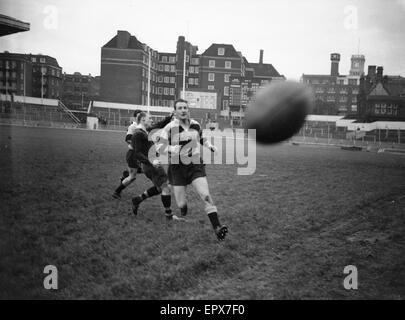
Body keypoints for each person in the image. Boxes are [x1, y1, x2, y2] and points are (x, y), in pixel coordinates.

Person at [158, 99, 228, 240]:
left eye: (185, 107)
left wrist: (210, 146)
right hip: (177, 167)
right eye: (180, 108)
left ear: (188, 110)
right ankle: (183, 207)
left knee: (206, 195)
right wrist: (173, 148)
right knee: (181, 204)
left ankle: (217, 227)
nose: (183, 110)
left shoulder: (195, 124)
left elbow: (202, 138)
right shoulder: (169, 128)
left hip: (195, 164)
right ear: (175, 111)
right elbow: (160, 147)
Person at [130, 112, 184, 221]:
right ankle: (169, 215)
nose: (151, 120)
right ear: (143, 120)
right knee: (166, 187)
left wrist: (170, 116)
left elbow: (159, 125)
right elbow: (137, 153)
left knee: (160, 188)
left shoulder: (145, 131)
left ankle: (138, 199)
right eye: (149, 119)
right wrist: (151, 161)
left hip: (151, 164)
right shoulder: (138, 134)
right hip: (151, 165)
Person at [112, 109, 143, 199]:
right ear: (135, 117)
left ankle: (125, 175)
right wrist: (137, 146)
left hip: (138, 154)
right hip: (133, 154)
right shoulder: (133, 127)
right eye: (138, 116)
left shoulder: (142, 126)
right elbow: (128, 139)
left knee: (146, 169)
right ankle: (117, 191)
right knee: (132, 177)